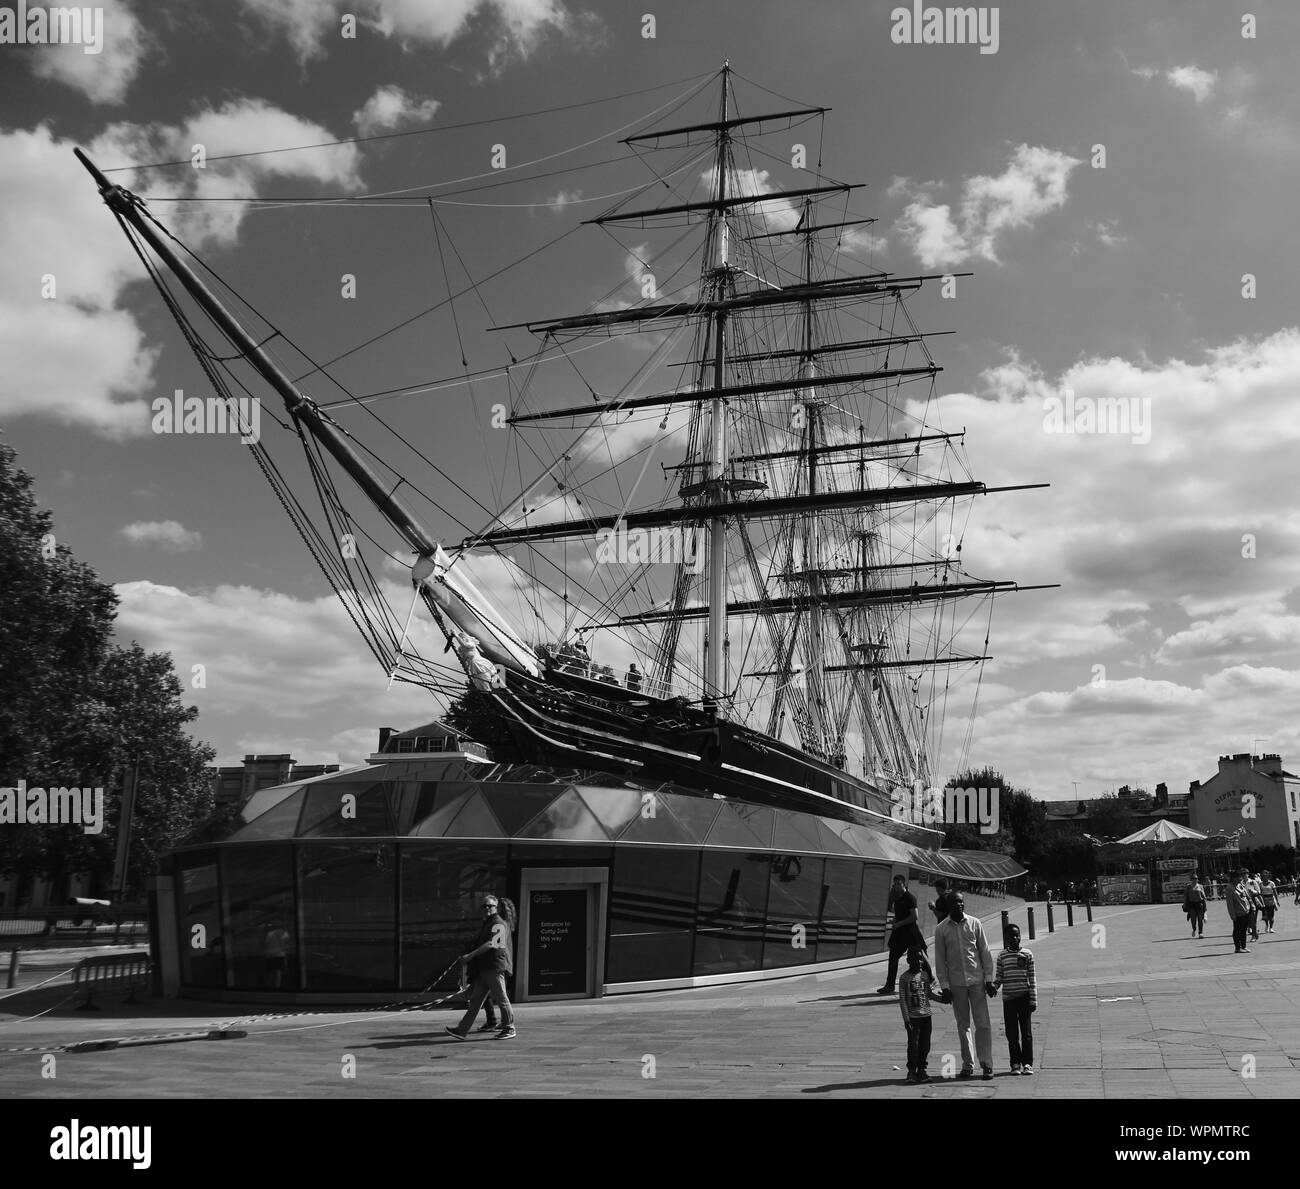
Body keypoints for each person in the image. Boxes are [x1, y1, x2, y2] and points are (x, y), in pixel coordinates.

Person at [933, 892, 997, 1080]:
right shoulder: (941, 929)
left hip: (977, 982)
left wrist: (989, 979)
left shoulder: (975, 923)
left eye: (961, 901)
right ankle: (968, 1064)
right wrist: (944, 986)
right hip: (957, 984)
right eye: (955, 902)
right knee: (963, 1025)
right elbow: (940, 958)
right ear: (949, 906)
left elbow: (984, 951)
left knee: (983, 1023)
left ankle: (986, 1063)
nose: (959, 905)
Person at [445, 893, 517, 1040]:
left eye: (489, 906)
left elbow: (493, 943)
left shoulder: (498, 923)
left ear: (496, 907)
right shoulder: (489, 923)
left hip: (494, 967)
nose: (486, 909)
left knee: (502, 998)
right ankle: (462, 1030)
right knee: (476, 1001)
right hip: (484, 968)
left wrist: (470, 956)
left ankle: (509, 1028)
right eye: (483, 906)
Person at [993, 922, 1036, 1075]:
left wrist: (1033, 1000)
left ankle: (1027, 1063)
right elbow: (999, 977)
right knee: (1011, 1033)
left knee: (1027, 1033)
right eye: (1011, 936)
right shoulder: (1002, 956)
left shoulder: (1028, 954)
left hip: (1024, 997)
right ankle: (1015, 1063)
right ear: (1006, 938)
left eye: (1017, 935)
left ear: (1020, 937)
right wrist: (994, 987)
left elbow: (1032, 978)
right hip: (1009, 1000)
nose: (1014, 938)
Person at [898, 945, 941, 1084]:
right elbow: (903, 999)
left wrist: (942, 999)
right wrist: (906, 1019)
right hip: (913, 1018)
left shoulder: (924, 975)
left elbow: (929, 993)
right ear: (909, 960)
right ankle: (911, 1071)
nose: (920, 962)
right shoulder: (904, 978)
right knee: (913, 1045)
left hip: (926, 1016)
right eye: (917, 959)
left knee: (925, 1044)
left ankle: (922, 1069)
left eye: (921, 959)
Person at [877, 874, 926, 994]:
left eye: (899, 884)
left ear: (904, 885)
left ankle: (930, 980)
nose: (896, 886)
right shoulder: (897, 898)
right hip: (899, 935)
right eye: (895, 884)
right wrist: (895, 921)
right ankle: (890, 985)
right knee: (893, 958)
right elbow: (900, 914)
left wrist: (899, 924)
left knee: (919, 958)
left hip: (910, 933)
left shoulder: (909, 898)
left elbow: (914, 917)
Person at [1227, 870, 1252, 954]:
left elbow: (1245, 896)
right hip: (1238, 913)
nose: (1240, 879)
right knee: (1237, 931)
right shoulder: (1230, 888)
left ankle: (1244, 946)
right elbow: (1229, 903)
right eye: (1238, 877)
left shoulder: (1240, 885)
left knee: (1244, 930)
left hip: (1245, 911)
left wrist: (1249, 906)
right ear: (1234, 878)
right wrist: (1232, 915)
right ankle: (1238, 948)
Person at [1183, 872, 1206, 938]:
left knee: (1200, 919)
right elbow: (1185, 896)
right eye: (1193, 878)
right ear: (1191, 879)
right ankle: (1194, 929)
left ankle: (1200, 933)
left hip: (1199, 904)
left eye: (1196, 878)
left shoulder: (1200, 886)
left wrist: (1205, 906)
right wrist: (1184, 904)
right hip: (1191, 905)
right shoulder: (1188, 887)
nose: (1195, 880)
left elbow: (1204, 896)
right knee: (1193, 919)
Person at [1246, 871, 1262, 941]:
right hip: (1244, 903)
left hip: (1252, 902)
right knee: (1248, 921)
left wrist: (1253, 891)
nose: (1243, 875)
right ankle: (1255, 933)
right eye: (1241, 874)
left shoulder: (1252, 882)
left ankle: (1254, 936)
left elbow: (1259, 892)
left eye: (1245, 874)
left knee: (1253, 920)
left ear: (1247, 874)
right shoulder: (1240, 883)